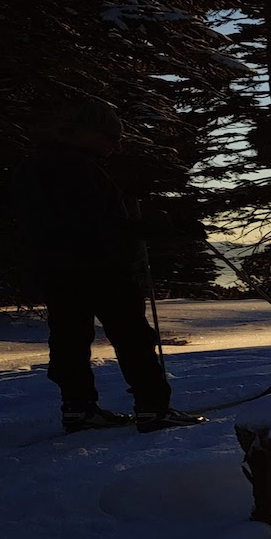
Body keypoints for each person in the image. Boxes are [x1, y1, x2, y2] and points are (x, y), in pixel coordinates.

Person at [14, 98, 207, 433]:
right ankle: (153, 408)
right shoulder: (79, 169)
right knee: (132, 337)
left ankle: (78, 408)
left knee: (69, 337)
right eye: (109, 137)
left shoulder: (35, 166)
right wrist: (160, 229)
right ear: (83, 133)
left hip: (55, 268)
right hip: (101, 268)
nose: (114, 144)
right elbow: (101, 225)